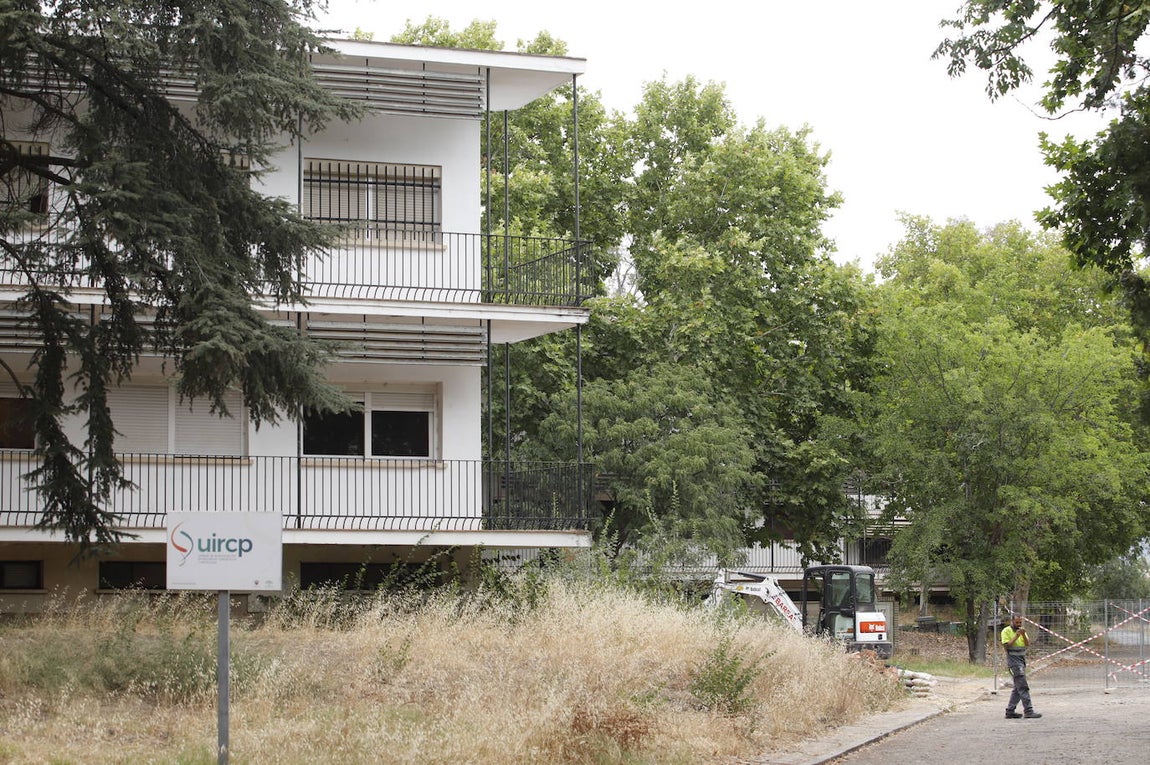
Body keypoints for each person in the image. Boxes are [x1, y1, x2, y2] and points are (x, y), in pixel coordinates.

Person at [1001, 614, 1042, 719]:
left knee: (1017, 688)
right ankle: (1028, 710)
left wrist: (1023, 635)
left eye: (1020, 622)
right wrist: (1016, 636)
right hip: (1013, 663)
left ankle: (1010, 711)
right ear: (1012, 621)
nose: (1018, 624)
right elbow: (1007, 645)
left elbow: (1027, 644)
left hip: (1021, 661)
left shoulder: (1022, 631)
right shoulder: (1006, 631)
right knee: (1023, 686)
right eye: (1017, 622)